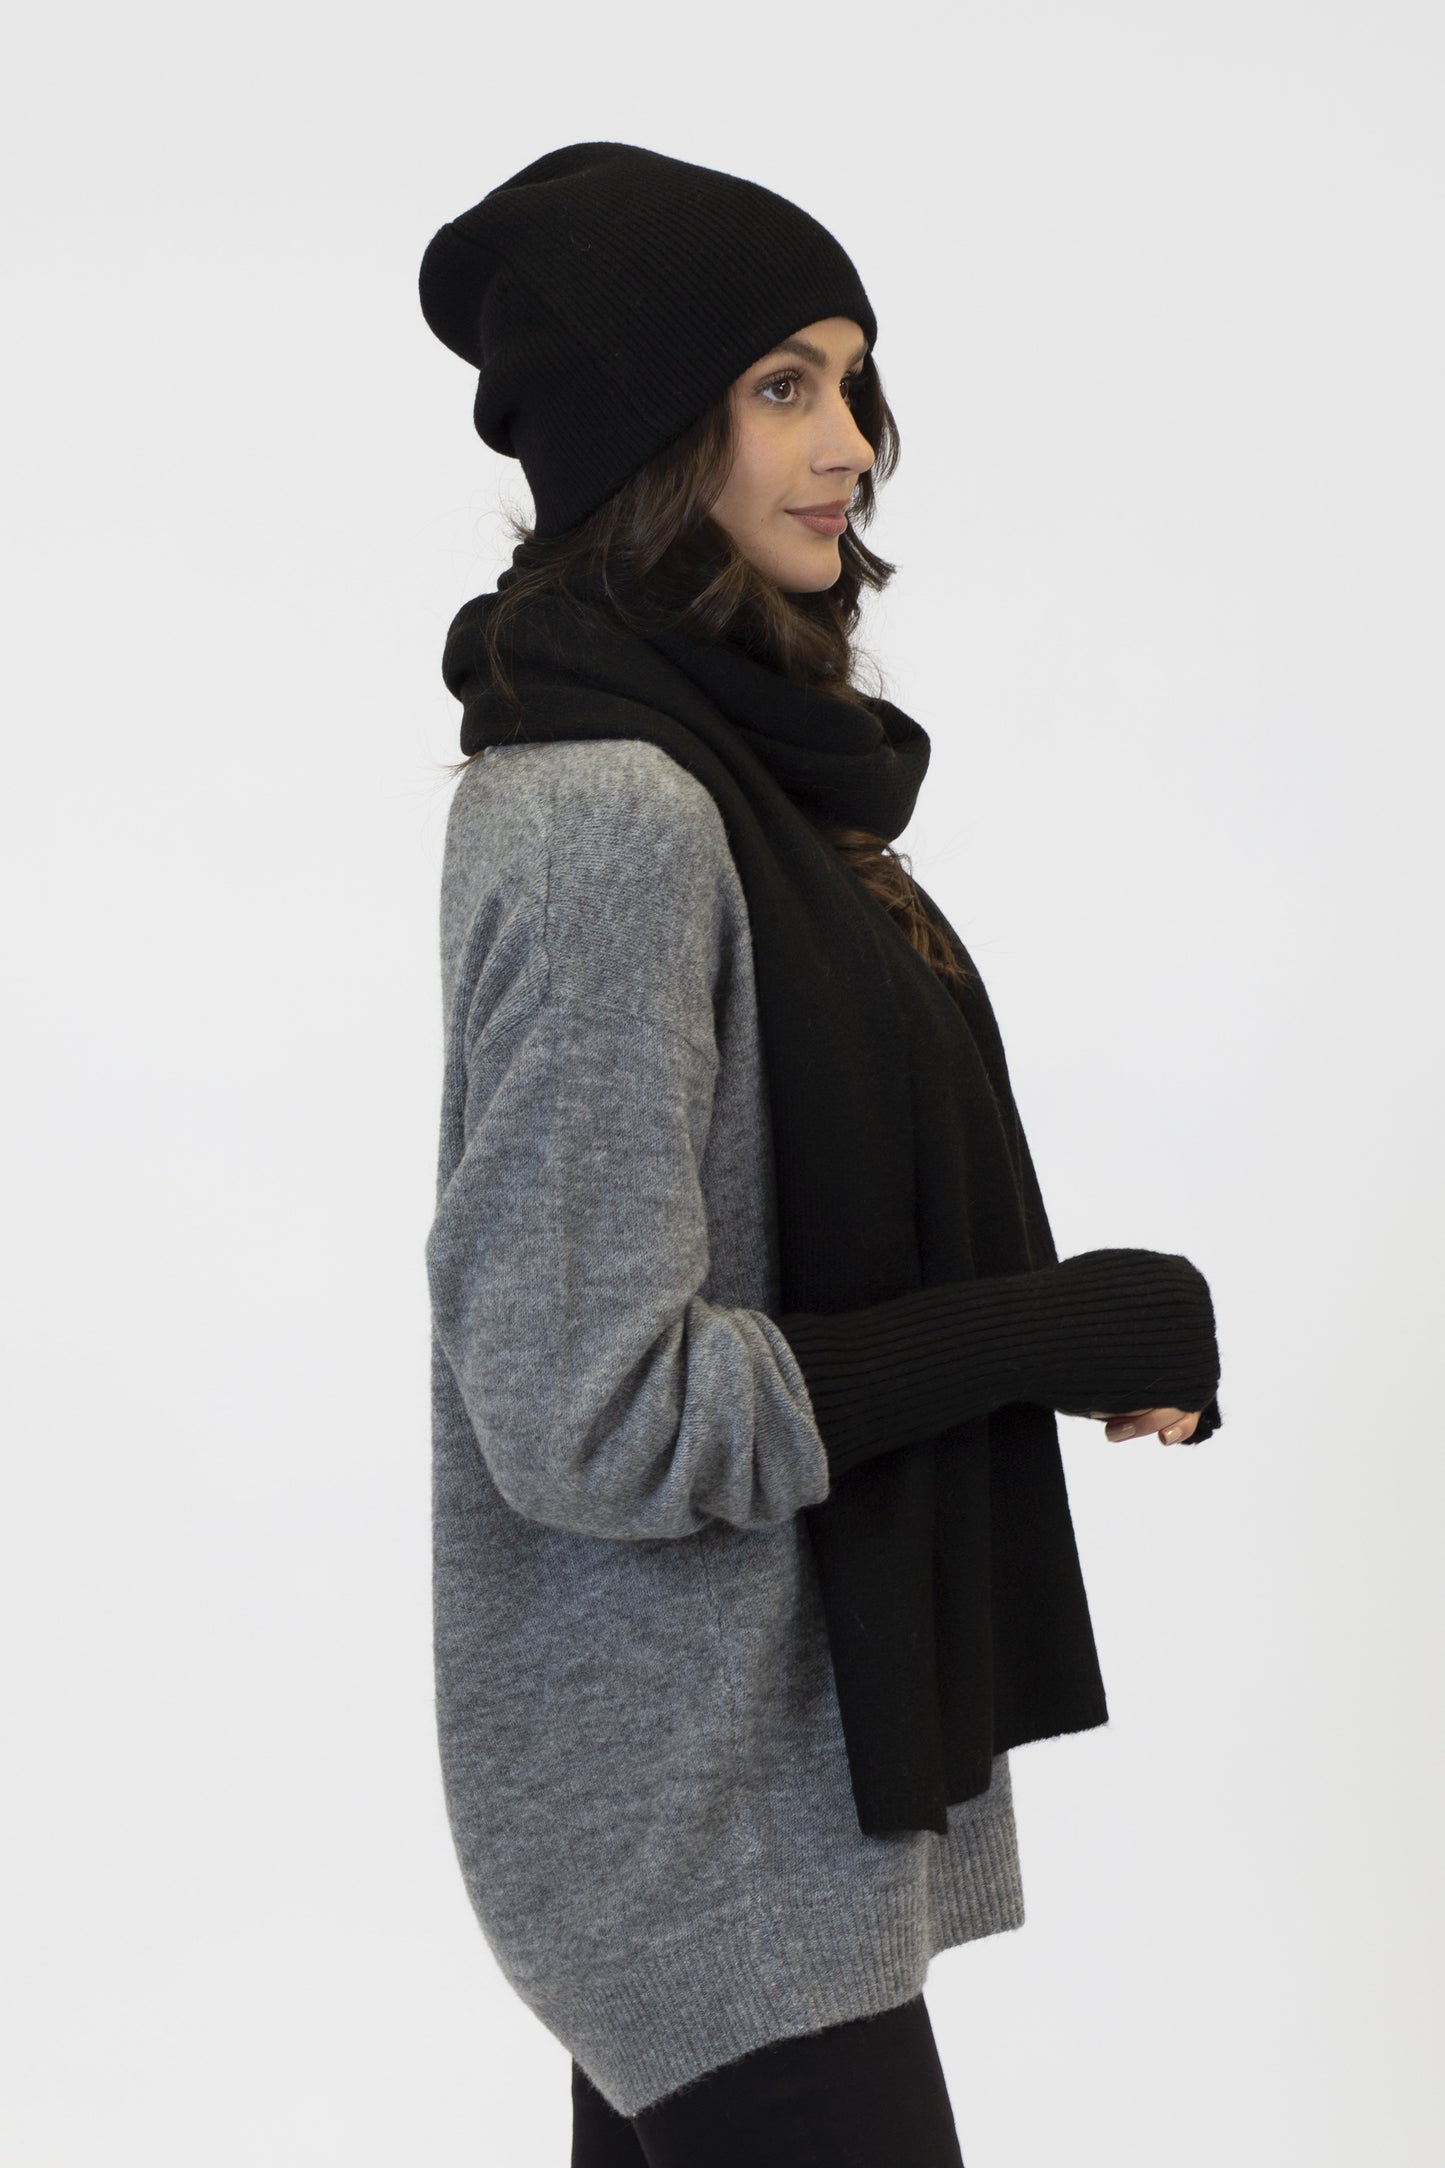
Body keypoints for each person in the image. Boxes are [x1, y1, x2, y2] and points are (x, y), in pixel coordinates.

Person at [418, 142, 1223, 2168]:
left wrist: (1056, 1331)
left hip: (754, 1789)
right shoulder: (610, 814)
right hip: (687, 1832)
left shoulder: (747, 779)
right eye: (782, 385)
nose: (850, 443)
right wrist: (1033, 1332)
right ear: (644, 428)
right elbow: (588, 1412)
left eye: (854, 383)